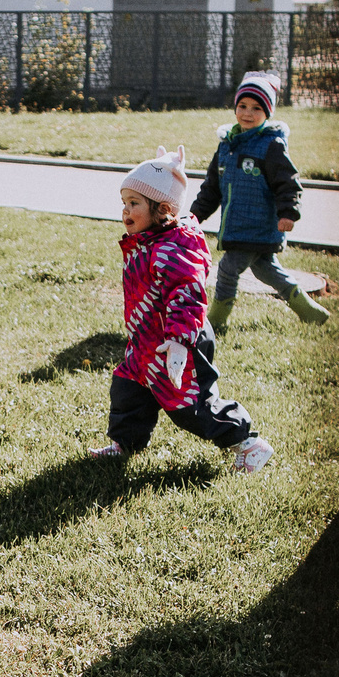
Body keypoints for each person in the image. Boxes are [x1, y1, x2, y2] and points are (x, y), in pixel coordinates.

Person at [89, 147, 276, 473]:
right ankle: (126, 444)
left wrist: (178, 341)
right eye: (124, 202)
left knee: (188, 404)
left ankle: (248, 443)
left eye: (134, 203)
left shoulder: (175, 248)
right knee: (128, 388)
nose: (125, 210)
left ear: (162, 208)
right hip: (148, 340)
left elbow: (188, 297)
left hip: (179, 339)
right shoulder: (147, 240)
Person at [191, 69, 331, 333]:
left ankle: (216, 321)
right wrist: (195, 215)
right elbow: (213, 188)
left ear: (268, 113)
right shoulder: (226, 146)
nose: (247, 113)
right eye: (242, 106)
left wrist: (288, 212)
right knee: (267, 271)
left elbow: (287, 181)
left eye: (256, 108)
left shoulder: (271, 145)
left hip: (256, 225)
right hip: (239, 226)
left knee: (228, 269)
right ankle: (310, 311)